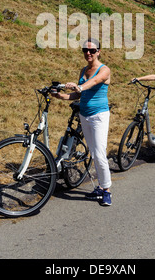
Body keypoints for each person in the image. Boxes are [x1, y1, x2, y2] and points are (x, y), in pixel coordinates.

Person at [52, 38, 112, 205]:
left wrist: (80, 86)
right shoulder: (83, 70)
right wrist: (60, 95)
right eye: (85, 50)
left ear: (98, 51)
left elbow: (94, 82)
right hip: (84, 115)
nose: (88, 53)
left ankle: (106, 191)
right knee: (93, 152)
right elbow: (78, 95)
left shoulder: (104, 70)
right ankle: (100, 187)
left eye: (92, 50)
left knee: (100, 153)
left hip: (99, 116)